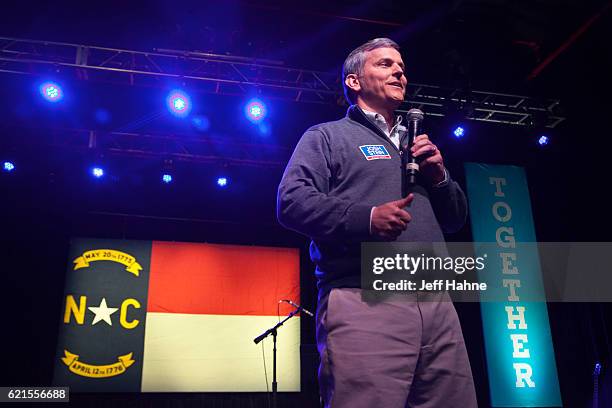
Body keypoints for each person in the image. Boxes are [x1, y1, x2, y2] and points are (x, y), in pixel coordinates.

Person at [277, 38, 477, 408]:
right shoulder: (327, 136)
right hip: (363, 296)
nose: (399, 71)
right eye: (385, 64)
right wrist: (366, 219)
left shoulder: (417, 143)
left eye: (401, 66)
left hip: (438, 303)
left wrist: (440, 178)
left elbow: (455, 221)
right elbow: (291, 202)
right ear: (354, 81)